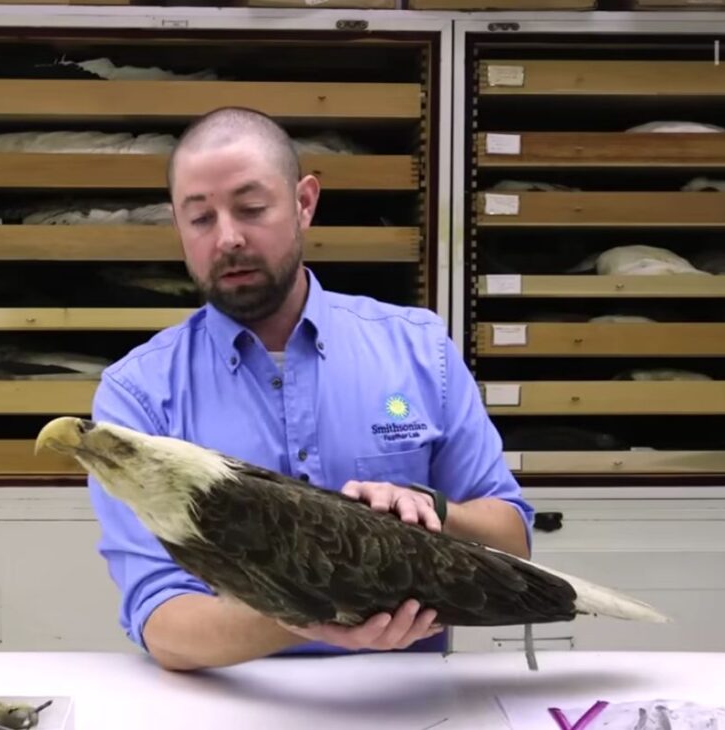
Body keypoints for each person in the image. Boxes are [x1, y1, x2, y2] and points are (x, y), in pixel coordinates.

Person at [86, 106, 534, 672]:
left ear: (304, 203)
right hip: (237, 704)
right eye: (199, 219)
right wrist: (302, 614)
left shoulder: (419, 351)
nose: (228, 238)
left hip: (411, 698)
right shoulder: (138, 395)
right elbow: (162, 622)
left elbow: (513, 543)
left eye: (251, 209)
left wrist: (439, 511)